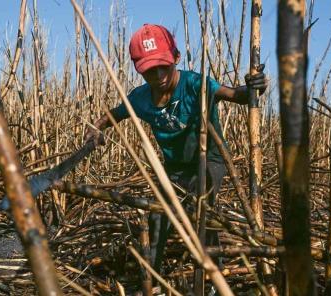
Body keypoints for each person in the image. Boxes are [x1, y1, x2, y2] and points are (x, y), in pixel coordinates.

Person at [88, 24, 267, 272]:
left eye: (164, 65)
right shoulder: (140, 98)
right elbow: (113, 115)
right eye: (150, 70)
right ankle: (151, 277)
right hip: (174, 169)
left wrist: (256, 87)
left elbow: (236, 94)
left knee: (201, 207)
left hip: (210, 159)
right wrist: (96, 128)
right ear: (139, 70)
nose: (159, 75)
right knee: (157, 215)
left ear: (176, 57)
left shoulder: (195, 84)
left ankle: (213, 276)